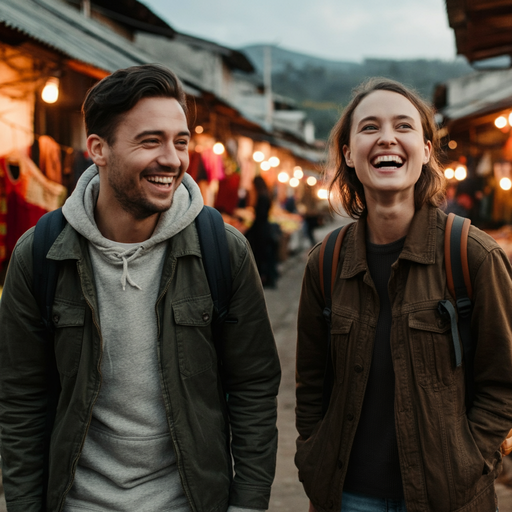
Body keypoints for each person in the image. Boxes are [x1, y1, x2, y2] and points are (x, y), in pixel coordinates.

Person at [0, 64, 281, 512]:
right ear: (99, 149)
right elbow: (20, 398)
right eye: (150, 141)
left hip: (188, 501)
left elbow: (253, 388)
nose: (172, 158)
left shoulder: (222, 251)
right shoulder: (39, 255)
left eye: (180, 141)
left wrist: (247, 504)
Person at [295, 78, 512, 512]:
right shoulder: (326, 263)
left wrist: (470, 462)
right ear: (348, 154)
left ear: (427, 151)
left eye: (403, 126)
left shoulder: (473, 256)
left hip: (448, 499)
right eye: (369, 127)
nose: (387, 138)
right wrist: (311, 455)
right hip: (347, 496)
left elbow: (504, 382)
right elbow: (311, 385)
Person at [245, 176, 280, 288]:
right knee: (267, 256)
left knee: (261, 255)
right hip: (264, 229)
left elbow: (260, 217)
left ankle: (265, 279)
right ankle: (269, 278)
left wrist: (249, 230)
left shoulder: (262, 197)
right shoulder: (266, 195)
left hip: (261, 232)